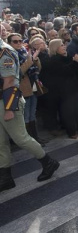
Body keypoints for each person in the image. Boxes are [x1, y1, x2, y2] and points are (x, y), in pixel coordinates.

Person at [0, 34, 60, 193]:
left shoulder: (5, 52)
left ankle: (48, 162)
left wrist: (9, 108)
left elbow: (10, 81)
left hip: (7, 101)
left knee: (21, 138)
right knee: (0, 142)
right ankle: (5, 177)